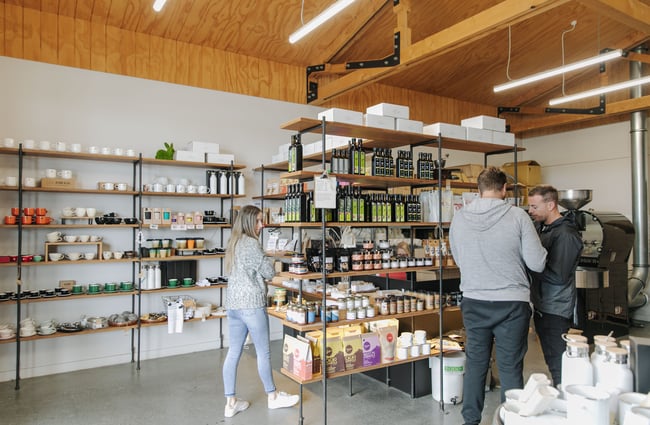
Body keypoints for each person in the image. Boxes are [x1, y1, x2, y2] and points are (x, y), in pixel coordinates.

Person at [449, 167, 547, 425]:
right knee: (510, 367)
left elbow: (459, 258)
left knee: (476, 365)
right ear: (504, 189)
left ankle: (470, 421)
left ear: (478, 190)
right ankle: (510, 420)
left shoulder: (459, 218)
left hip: (474, 300)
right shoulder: (518, 216)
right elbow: (537, 263)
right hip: (512, 304)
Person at [222, 205, 299, 418]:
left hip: (234, 304)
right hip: (251, 304)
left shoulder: (234, 242)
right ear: (248, 222)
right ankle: (273, 397)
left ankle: (230, 402)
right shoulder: (251, 243)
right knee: (263, 352)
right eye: (258, 220)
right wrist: (271, 260)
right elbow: (268, 272)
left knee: (234, 351)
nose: (262, 225)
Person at [527, 185, 583, 387]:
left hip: (556, 308)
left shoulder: (566, 234)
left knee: (558, 360)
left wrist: (528, 267)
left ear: (550, 205)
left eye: (534, 206)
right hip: (544, 304)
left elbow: (558, 276)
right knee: (551, 357)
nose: (531, 211)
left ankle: (566, 399)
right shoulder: (545, 229)